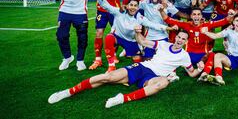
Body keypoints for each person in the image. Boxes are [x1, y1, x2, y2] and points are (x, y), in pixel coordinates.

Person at [48, 30, 204, 108]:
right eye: (178, 37)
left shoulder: (185, 56)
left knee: (163, 83)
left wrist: (200, 69)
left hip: (153, 77)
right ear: (175, 37)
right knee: (107, 77)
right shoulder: (163, 44)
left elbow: (191, 74)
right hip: (142, 67)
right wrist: (137, 32)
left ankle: (122, 98)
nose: (179, 40)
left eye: (183, 39)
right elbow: (142, 41)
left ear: (185, 42)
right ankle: (67, 92)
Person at [94, 0, 175, 72]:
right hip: (118, 38)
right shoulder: (119, 12)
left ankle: (138, 66)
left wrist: (168, 27)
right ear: (127, 6)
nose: (133, 7)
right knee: (109, 37)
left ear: (138, 8)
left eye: (135, 6)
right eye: (131, 5)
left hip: (131, 41)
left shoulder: (140, 18)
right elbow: (106, 6)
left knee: (139, 61)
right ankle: (111, 66)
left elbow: (152, 25)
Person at [160, 7, 236, 82]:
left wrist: (230, 15)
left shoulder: (207, 25)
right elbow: (167, 19)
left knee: (212, 54)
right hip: (188, 55)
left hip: (202, 55)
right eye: (194, 14)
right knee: (176, 52)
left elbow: (224, 21)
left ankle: (204, 74)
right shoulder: (186, 25)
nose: (196, 16)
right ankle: (172, 73)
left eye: (198, 14)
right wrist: (161, 10)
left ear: (201, 16)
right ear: (191, 16)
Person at [55, 0, 94, 71]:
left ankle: (80, 60)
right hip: (65, 11)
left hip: (80, 13)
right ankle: (67, 58)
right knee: (61, 36)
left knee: (82, 38)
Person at [88, 0, 128, 70]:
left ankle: (114, 54)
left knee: (116, 34)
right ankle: (98, 59)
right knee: (99, 33)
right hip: (101, 10)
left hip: (114, 12)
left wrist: (124, 5)